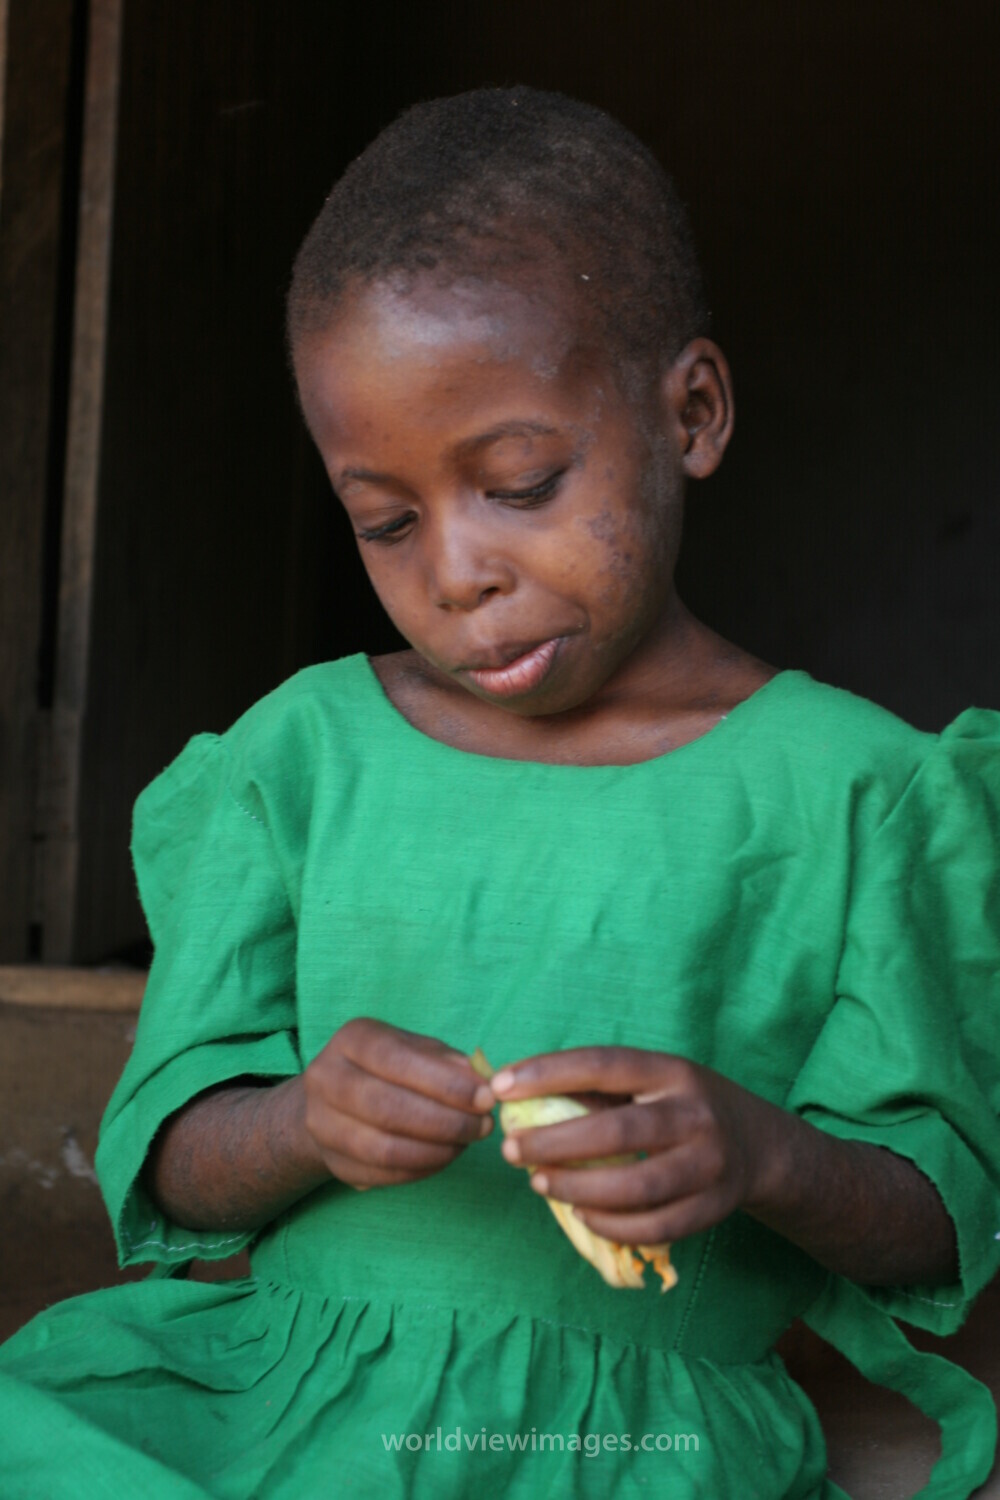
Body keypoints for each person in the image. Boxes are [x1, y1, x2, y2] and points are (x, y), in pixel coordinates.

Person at [1, 86, 998, 1500]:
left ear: (694, 413)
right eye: (386, 522)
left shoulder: (860, 793)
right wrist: (300, 1123)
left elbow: (938, 1224)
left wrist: (765, 1156)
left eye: (519, 482)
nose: (455, 571)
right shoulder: (301, 760)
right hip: (282, 1410)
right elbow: (167, 1164)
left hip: (641, 1447)